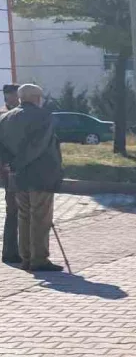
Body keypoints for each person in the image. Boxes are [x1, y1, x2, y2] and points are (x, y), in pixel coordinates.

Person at [0, 84, 63, 271]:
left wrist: (10, 164)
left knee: (24, 217)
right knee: (40, 218)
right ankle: (39, 259)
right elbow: (38, 146)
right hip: (40, 174)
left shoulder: (5, 118)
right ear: (36, 97)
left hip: (17, 176)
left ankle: (26, 258)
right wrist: (18, 163)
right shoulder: (43, 116)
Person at [2, 84, 21, 264]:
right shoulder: (4, 116)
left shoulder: (18, 114)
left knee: (18, 210)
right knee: (14, 210)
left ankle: (18, 249)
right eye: (16, 96)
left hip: (19, 168)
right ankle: (10, 251)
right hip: (10, 170)